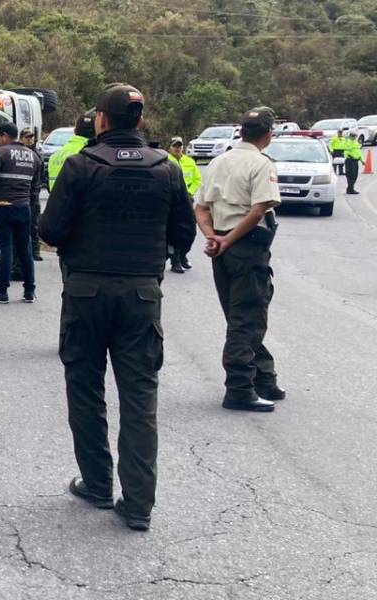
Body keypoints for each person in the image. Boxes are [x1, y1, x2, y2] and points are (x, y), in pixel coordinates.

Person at [40, 83, 196, 532]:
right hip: (142, 295)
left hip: (86, 293)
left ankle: (97, 484)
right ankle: (139, 504)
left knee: (86, 392)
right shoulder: (167, 168)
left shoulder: (81, 165)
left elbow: (51, 230)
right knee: (140, 398)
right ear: (140, 121)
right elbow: (183, 235)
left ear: (101, 121)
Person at [195, 107, 285, 413]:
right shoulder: (261, 164)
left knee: (240, 316)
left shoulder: (218, 162)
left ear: (240, 132)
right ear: (268, 135)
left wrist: (213, 237)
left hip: (222, 247)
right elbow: (259, 209)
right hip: (245, 247)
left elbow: (201, 208)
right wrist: (229, 239)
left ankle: (264, 377)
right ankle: (239, 387)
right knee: (247, 318)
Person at [0, 122, 43, 304]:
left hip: (2, 206)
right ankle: (29, 291)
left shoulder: (0, 153)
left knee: (4, 249)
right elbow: (35, 187)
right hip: (24, 208)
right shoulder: (34, 156)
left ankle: (1, 292)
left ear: (5, 136)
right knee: (25, 249)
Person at [166, 137, 202, 273]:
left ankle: (183, 255)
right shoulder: (166, 161)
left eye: (180, 146)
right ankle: (175, 259)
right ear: (169, 147)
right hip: (172, 201)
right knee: (172, 232)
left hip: (187, 200)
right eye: (175, 146)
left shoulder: (189, 161)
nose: (178, 148)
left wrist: (190, 193)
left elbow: (197, 179)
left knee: (190, 230)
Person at [48, 110, 95, 191]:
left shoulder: (56, 155)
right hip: (78, 202)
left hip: (56, 200)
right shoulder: (91, 153)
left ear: (75, 130)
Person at [20, 127, 46, 262]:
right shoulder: (19, 153)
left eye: (31, 137)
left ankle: (35, 250)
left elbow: (41, 175)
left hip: (33, 195)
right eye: (27, 137)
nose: (30, 140)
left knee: (34, 225)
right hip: (22, 195)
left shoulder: (37, 155)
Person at [344, 130, 363, 195]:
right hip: (350, 161)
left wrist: (362, 160)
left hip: (355, 161)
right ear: (350, 136)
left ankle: (349, 189)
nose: (354, 137)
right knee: (350, 176)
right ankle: (351, 189)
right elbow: (346, 151)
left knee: (355, 176)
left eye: (355, 136)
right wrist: (349, 156)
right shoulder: (347, 143)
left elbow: (359, 152)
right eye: (353, 136)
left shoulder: (356, 143)